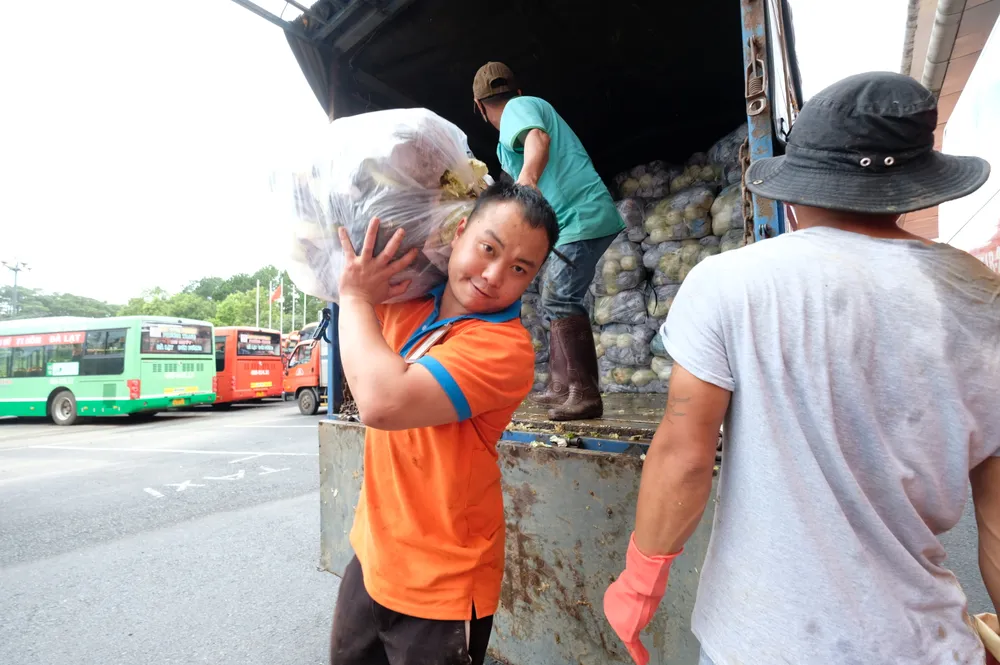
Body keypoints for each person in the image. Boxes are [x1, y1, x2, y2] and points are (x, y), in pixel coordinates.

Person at [603, 71, 998, 665]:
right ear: (915, 191)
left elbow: (684, 458)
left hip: (762, 644)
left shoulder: (730, 283)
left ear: (795, 191)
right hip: (922, 645)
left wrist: (639, 582)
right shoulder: (979, 297)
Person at [329, 182, 560, 665]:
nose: (494, 275)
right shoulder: (409, 300)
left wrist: (354, 298)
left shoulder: (504, 349)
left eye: (519, 269)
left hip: (442, 585)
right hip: (372, 553)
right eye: (488, 248)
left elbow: (382, 403)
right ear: (459, 232)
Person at [472, 61, 625, 421]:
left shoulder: (518, 109)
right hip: (570, 220)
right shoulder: (514, 126)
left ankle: (585, 394)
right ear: (516, 88)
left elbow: (537, 140)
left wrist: (527, 179)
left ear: (479, 106)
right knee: (553, 297)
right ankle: (561, 387)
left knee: (559, 296)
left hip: (580, 215)